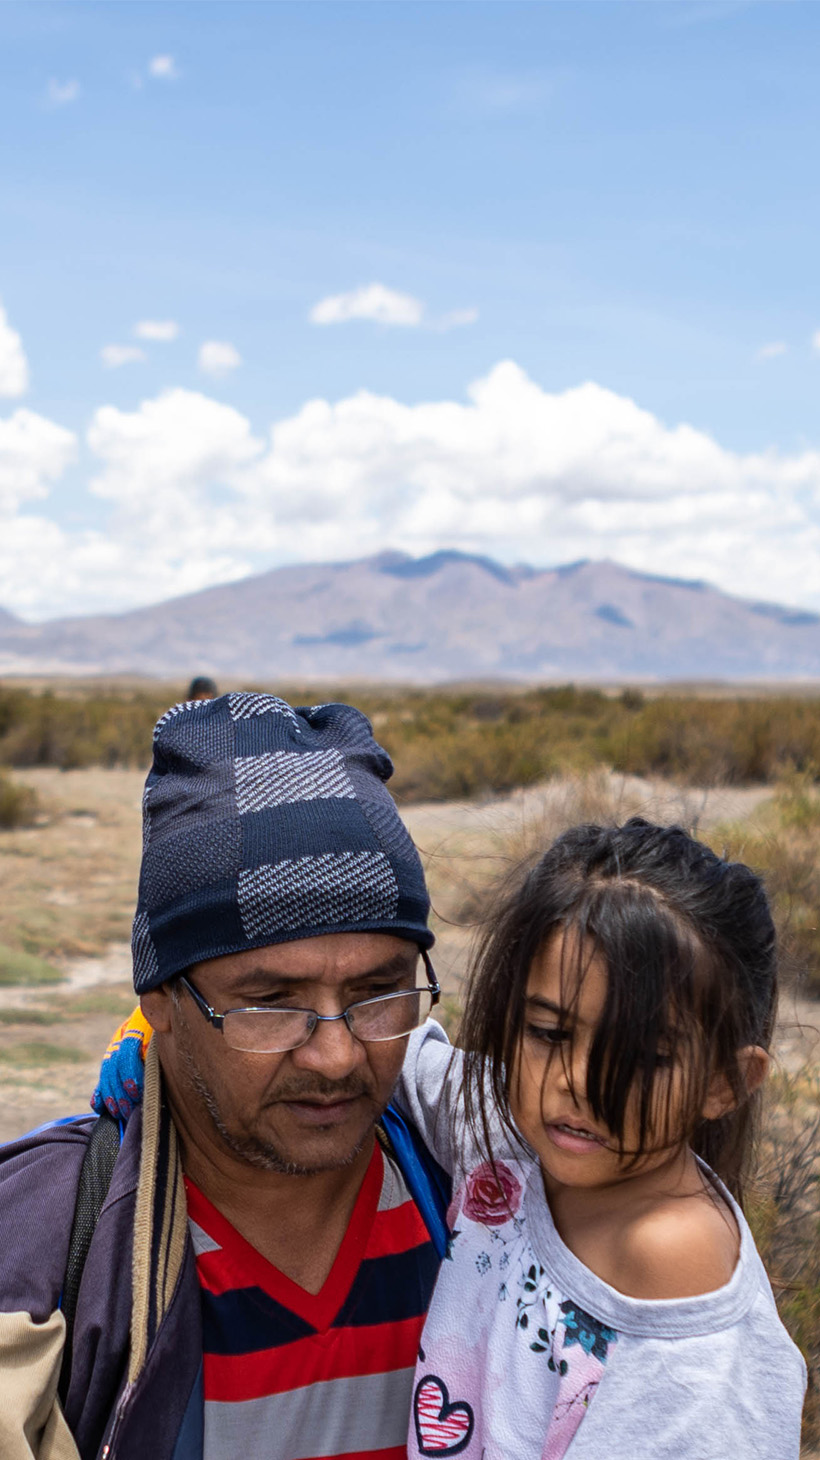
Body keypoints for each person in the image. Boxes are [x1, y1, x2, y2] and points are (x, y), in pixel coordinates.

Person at [0, 692, 448, 1460]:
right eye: (272, 1004)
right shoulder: (36, 1255)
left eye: (377, 993)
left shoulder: (477, 1194)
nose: (337, 1056)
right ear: (162, 1002)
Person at [394, 819, 807, 1458]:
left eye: (638, 1057)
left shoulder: (667, 1259)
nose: (577, 1082)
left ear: (725, 1082)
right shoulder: (514, 1129)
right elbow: (391, 1059)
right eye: (549, 1033)